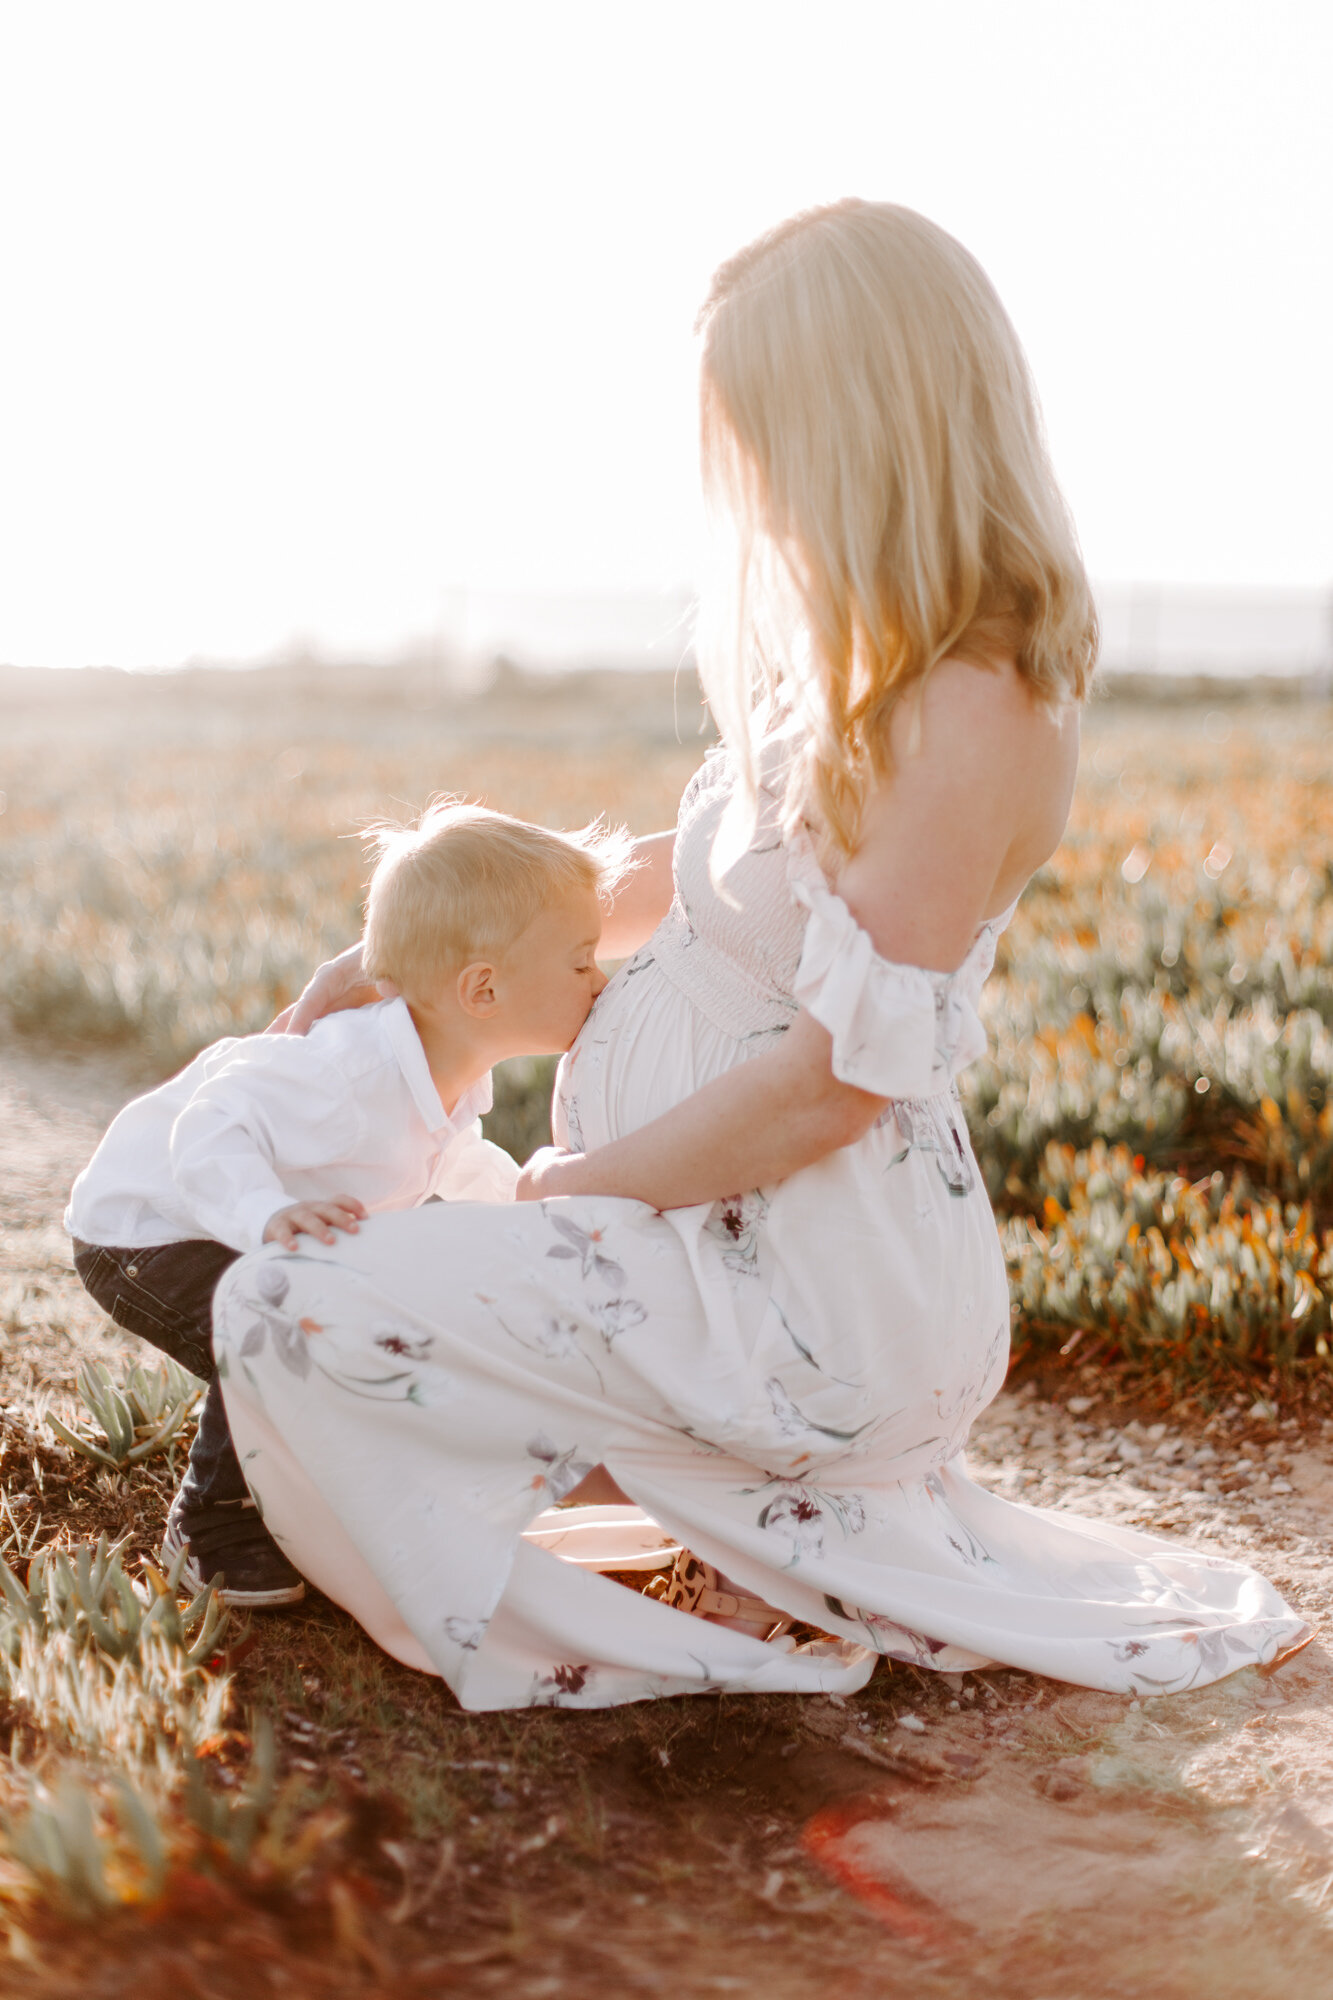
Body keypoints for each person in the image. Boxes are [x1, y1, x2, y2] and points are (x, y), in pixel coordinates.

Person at [213, 200, 1307, 1707]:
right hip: (709, 1234)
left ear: (862, 423)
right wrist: (401, 968)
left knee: (289, 1302)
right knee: (356, 1222)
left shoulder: (972, 707)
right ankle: (680, 1547)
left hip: (812, 1286)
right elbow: (687, 878)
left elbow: (831, 1091)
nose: (747, 487)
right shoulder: (855, 661)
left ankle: (700, 1623)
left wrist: (570, 1195)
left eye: (761, 437)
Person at [66, 801, 624, 1604]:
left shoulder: (444, 1074)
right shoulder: (345, 1072)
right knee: (271, 1330)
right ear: (483, 989)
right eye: (580, 961)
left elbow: (456, 1162)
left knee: (334, 1328)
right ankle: (211, 1523)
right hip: (146, 1230)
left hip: (235, 1226)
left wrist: (536, 1216)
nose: (597, 979)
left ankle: (309, 1486)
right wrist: (264, 1214)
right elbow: (209, 1121)